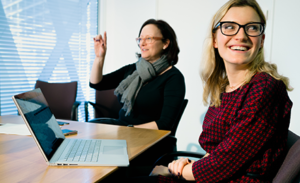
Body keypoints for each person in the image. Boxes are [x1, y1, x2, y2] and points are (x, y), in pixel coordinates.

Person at [145, 0, 293, 182]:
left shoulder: (264, 88)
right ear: (215, 40)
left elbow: (224, 163)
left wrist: (178, 171)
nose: (241, 36)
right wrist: (185, 165)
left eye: (252, 28)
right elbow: (217, 153)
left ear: (261, 40)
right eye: (230, 27)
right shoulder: (224, 88)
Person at [89, 19, 185, 131]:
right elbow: (97, 84)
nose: (142, 43)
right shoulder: (133, 70)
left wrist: (128, 130)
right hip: (124, 131)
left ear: (165, 43)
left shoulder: (174, 78)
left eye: (148, 38)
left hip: (151, 139)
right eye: (140, 39)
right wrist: (99, 57)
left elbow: (165, 123)